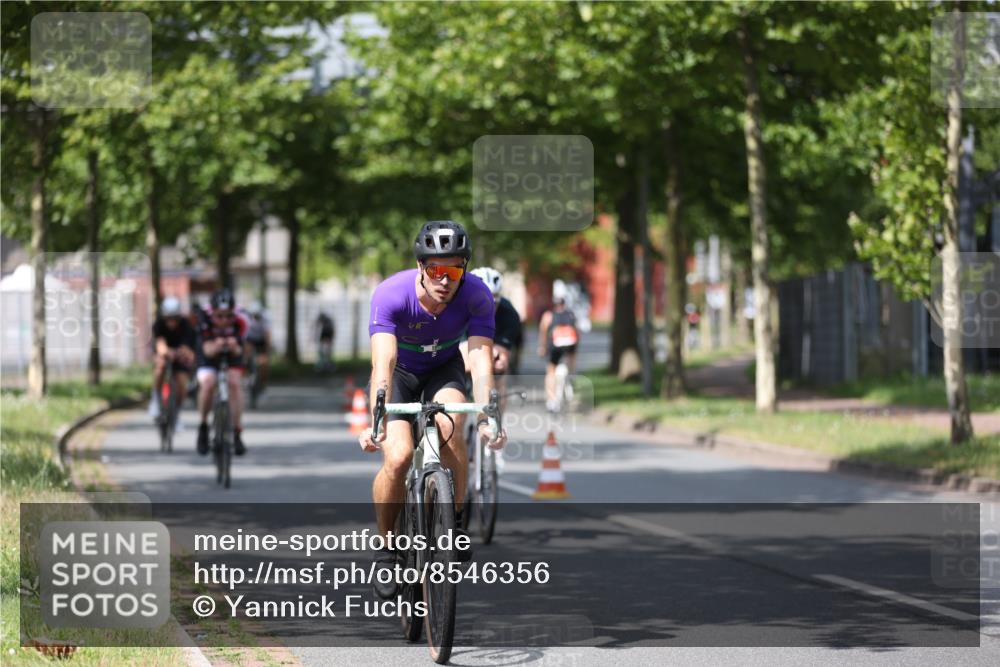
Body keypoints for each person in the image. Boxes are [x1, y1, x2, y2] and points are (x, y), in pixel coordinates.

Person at [358, 220, 508, 599]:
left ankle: (454, 524)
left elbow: (479, 360)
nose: (445, 279)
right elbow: (384, 362)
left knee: (453, 424)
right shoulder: (391, 294)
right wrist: (376, 421)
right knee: (398, 455)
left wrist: (489, 416)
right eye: (436, 270)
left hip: (443, 370)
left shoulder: (476, 296)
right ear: (422, 268)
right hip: (400, 374)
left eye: (454, 270)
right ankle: (387, 547)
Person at [195, 289, 248, 456]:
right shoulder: (203, 319)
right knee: (208, 383)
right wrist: (217, 345)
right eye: (219, 316)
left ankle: (237, 432)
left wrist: (232, 345)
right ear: (212, 312)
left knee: (234, 383)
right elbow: (207, 350)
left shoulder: (241, 320)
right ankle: (203, 426)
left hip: (231, 356)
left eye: (228, 316)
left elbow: (240, 350)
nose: (224, 320)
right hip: (209, 356)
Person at [151, 296, 196, 416]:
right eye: (168, 318)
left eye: (174, 318)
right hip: (165, 354)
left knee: (182, 384)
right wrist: (165, 352)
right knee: (160, 367)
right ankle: (155, 399)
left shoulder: (186, 325)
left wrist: (182, 353)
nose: (171, 322)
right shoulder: (158, 324)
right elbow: (160, 344)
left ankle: (176, 413)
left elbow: (187, 348)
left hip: (179, 356)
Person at [538, 280, 579, 411]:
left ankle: (551, 400)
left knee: (550, 372)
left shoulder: (548, 316)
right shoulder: (572, 315)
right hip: (570, 347)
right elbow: (577, 334)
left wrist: (542, 347)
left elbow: (543, 332)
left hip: (555, 348)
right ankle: (570, 380)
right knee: (571, 363)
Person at [245, 302, 272, 393]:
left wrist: (268, 349)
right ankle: (249, 375)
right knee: (247, 356)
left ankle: (263, 382)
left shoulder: (266, 318)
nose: (255, 318)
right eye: (254, 315)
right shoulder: (247, 317)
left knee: (263, 362)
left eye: (257, 316)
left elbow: (267, 335)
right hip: (251, 339)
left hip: (261, 340)